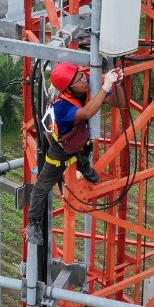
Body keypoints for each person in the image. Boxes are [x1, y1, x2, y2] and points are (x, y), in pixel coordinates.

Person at [27, 61, 122, 236]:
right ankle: (33, 223)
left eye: (82, 76)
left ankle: (84, 167)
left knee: (86, 149)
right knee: (42, 185)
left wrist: (116, 84)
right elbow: (86, 113)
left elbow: (121, 103)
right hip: (62, 148)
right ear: (68, 88)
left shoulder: (88, 89)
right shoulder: (61, 106)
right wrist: (105, 86)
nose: (85, 80)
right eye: (79, 80)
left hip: (79, 139)